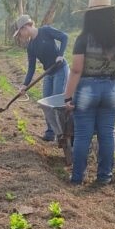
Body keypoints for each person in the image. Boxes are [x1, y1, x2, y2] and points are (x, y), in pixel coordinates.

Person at [63, 0, 115, 186]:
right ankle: (104, 177)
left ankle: (77, 177)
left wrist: (68, 97)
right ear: (112, 13)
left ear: (89, 16)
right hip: (112, 89)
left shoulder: (83, 39)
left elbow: (77, 70)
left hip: (87, 89)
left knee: (83, 135)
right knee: (107, 134)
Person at [13, 14, 69, 142]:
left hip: (60, 70)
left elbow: (64, 37)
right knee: (46, 103)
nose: (20, 36)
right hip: (48, 73)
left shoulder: (46, 31)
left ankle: (62, 133)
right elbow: (31, 68)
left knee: (57, 102)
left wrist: (61, 55)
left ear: (25, 28)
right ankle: (50, 132)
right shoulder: (31, 47)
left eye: (20, 33)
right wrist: (25, 85)